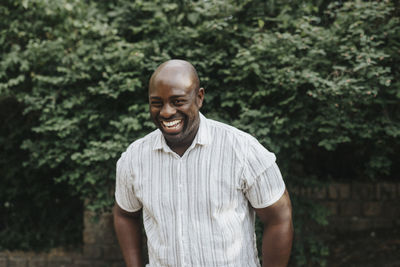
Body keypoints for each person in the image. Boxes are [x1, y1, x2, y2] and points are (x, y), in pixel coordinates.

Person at [113, 59, 293, 267]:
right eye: (157, 103)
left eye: (177, 101)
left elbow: (279, 218)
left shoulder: (242, 150)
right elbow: (124, 214)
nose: (166, 112)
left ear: (199, 98)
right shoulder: (134, 158)